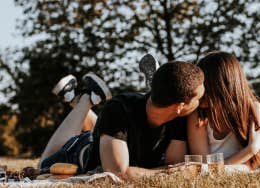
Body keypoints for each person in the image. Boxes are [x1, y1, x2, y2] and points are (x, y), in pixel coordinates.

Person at [38, 59, 205, 179]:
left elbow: (174, 163)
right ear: (179, 105)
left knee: (109, 130)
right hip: (81, 153)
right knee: (42, 166)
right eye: (198, 98)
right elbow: (117, 173)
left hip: (115, 141)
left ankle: (74, 97)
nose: (201, 102)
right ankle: (85, 100)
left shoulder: (180, 116)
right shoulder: (119, 108)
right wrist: (166, 172)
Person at [187, 51, 260, 170]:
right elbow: (203, 168)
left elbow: (250, 165)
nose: (199, 91)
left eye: (205, 85)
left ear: (222, 87)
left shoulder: (253, 110)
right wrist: (251, 149)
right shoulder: (198, 114)